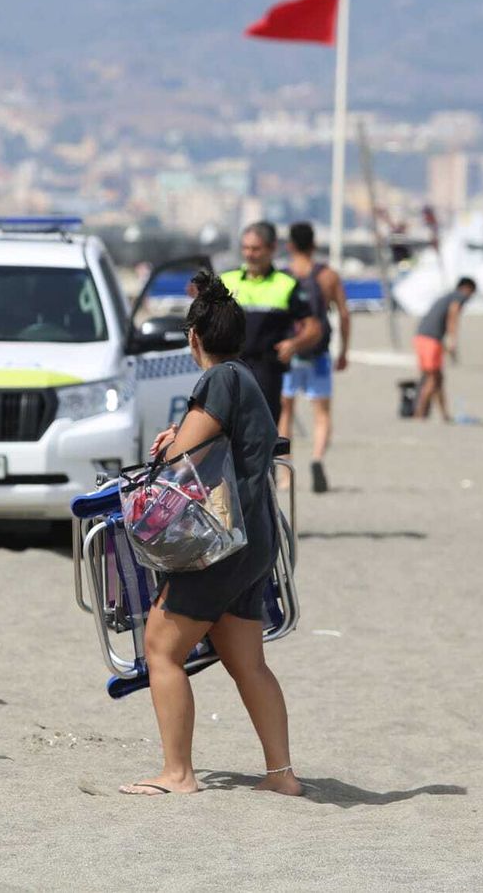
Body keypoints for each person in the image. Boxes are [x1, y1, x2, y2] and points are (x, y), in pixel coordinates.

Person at [122, 270, 300, 798]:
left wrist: (172, 439)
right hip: (255, 541)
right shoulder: (244, 379)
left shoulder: (219, 379)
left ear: (193, 338)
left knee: (161, 647)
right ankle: (281, 775)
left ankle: (178, 774)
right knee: (247, 661)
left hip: (221, 544)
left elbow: (181, 459)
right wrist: (183, 435)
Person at [219, 222, 321, 421]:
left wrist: (294, 344)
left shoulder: (286, 284)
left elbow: (313, 328)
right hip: (228, 370)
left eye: (256, 249)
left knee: (261, 436)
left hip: (266, 373)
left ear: (272, 248)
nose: (249, 254)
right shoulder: (226, 281)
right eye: (246, 248)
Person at [278, 221, 350, 494]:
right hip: (318, 353)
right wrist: (344, 351)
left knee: (285, 411)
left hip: (288, 353)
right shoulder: (328, 276)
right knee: (321, 414)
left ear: (290, 246)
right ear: (314, 244)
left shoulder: (282, 277)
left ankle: (285, 472)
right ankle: (317, 458)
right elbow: (343, 313)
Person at [412, 277, 476, 421]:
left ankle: (444, 415)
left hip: (421, 336)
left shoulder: (446, 297)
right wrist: (452, 339)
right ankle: (419, 413)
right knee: (432, 379)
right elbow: (453, 314)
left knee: (437, 377)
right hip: (431, 339)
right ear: (467, 288)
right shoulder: (459, 297)